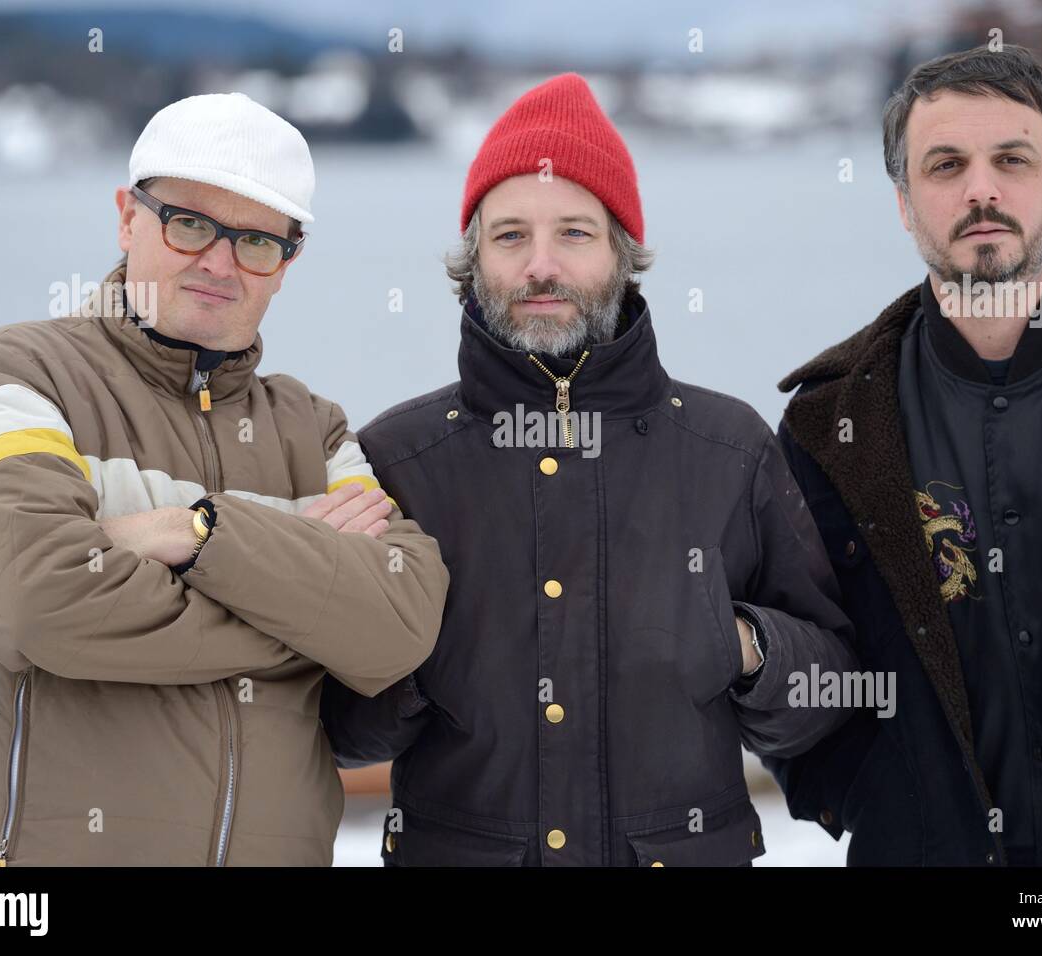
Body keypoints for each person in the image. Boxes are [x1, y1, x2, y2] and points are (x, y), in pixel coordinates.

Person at [321, 73, 856, 866]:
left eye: (573, 232)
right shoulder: (396, 460)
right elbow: (338, 729)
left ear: (621, 251)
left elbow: (833, 691)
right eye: (509, 237)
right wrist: (409, 656)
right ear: (472, 262)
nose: (541, 265)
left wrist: (744, 644)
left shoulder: (728, 448)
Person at [0, 92, 448, 865]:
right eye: (191, 222)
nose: (219, 262)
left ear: (288, 260)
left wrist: (187, 532)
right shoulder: (15, 379)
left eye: (257, 239)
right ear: (127, 217)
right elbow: (39, 604)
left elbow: (399, 625)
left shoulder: (313, 428)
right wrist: (301, 620)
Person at [768, 45, 1042, 865]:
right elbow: (801, 678)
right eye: (945, 164)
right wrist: (872, 800)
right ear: (902, 201)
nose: (981, 190)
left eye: (1012, 159)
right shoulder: (829, 431)